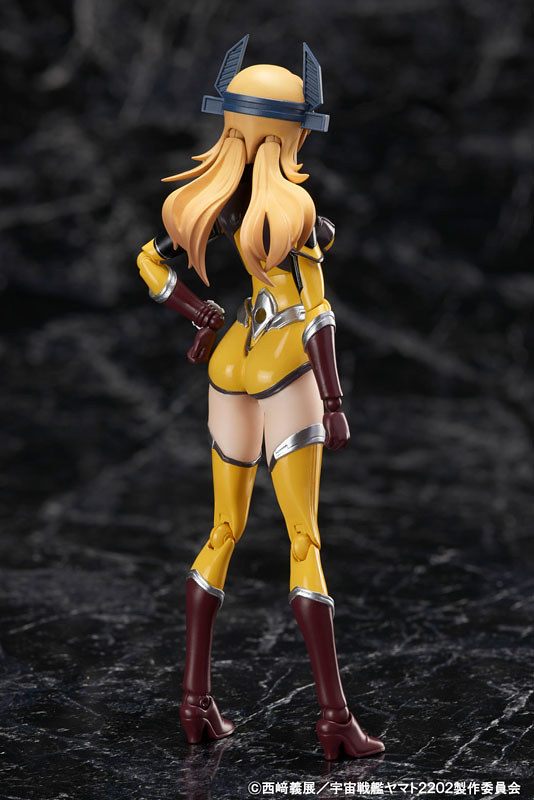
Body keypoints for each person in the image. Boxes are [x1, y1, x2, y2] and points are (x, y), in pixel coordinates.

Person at [136, 36, 385, 760]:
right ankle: (335, 720)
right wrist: (333, 401)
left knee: (224, 529)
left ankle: (194, 701)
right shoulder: (297, 214)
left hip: (232, 363)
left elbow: (148, 261)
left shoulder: (212, 204)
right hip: (284, 366)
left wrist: (199, 313)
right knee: (303, 540)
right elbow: (319, 317)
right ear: (294, 132)